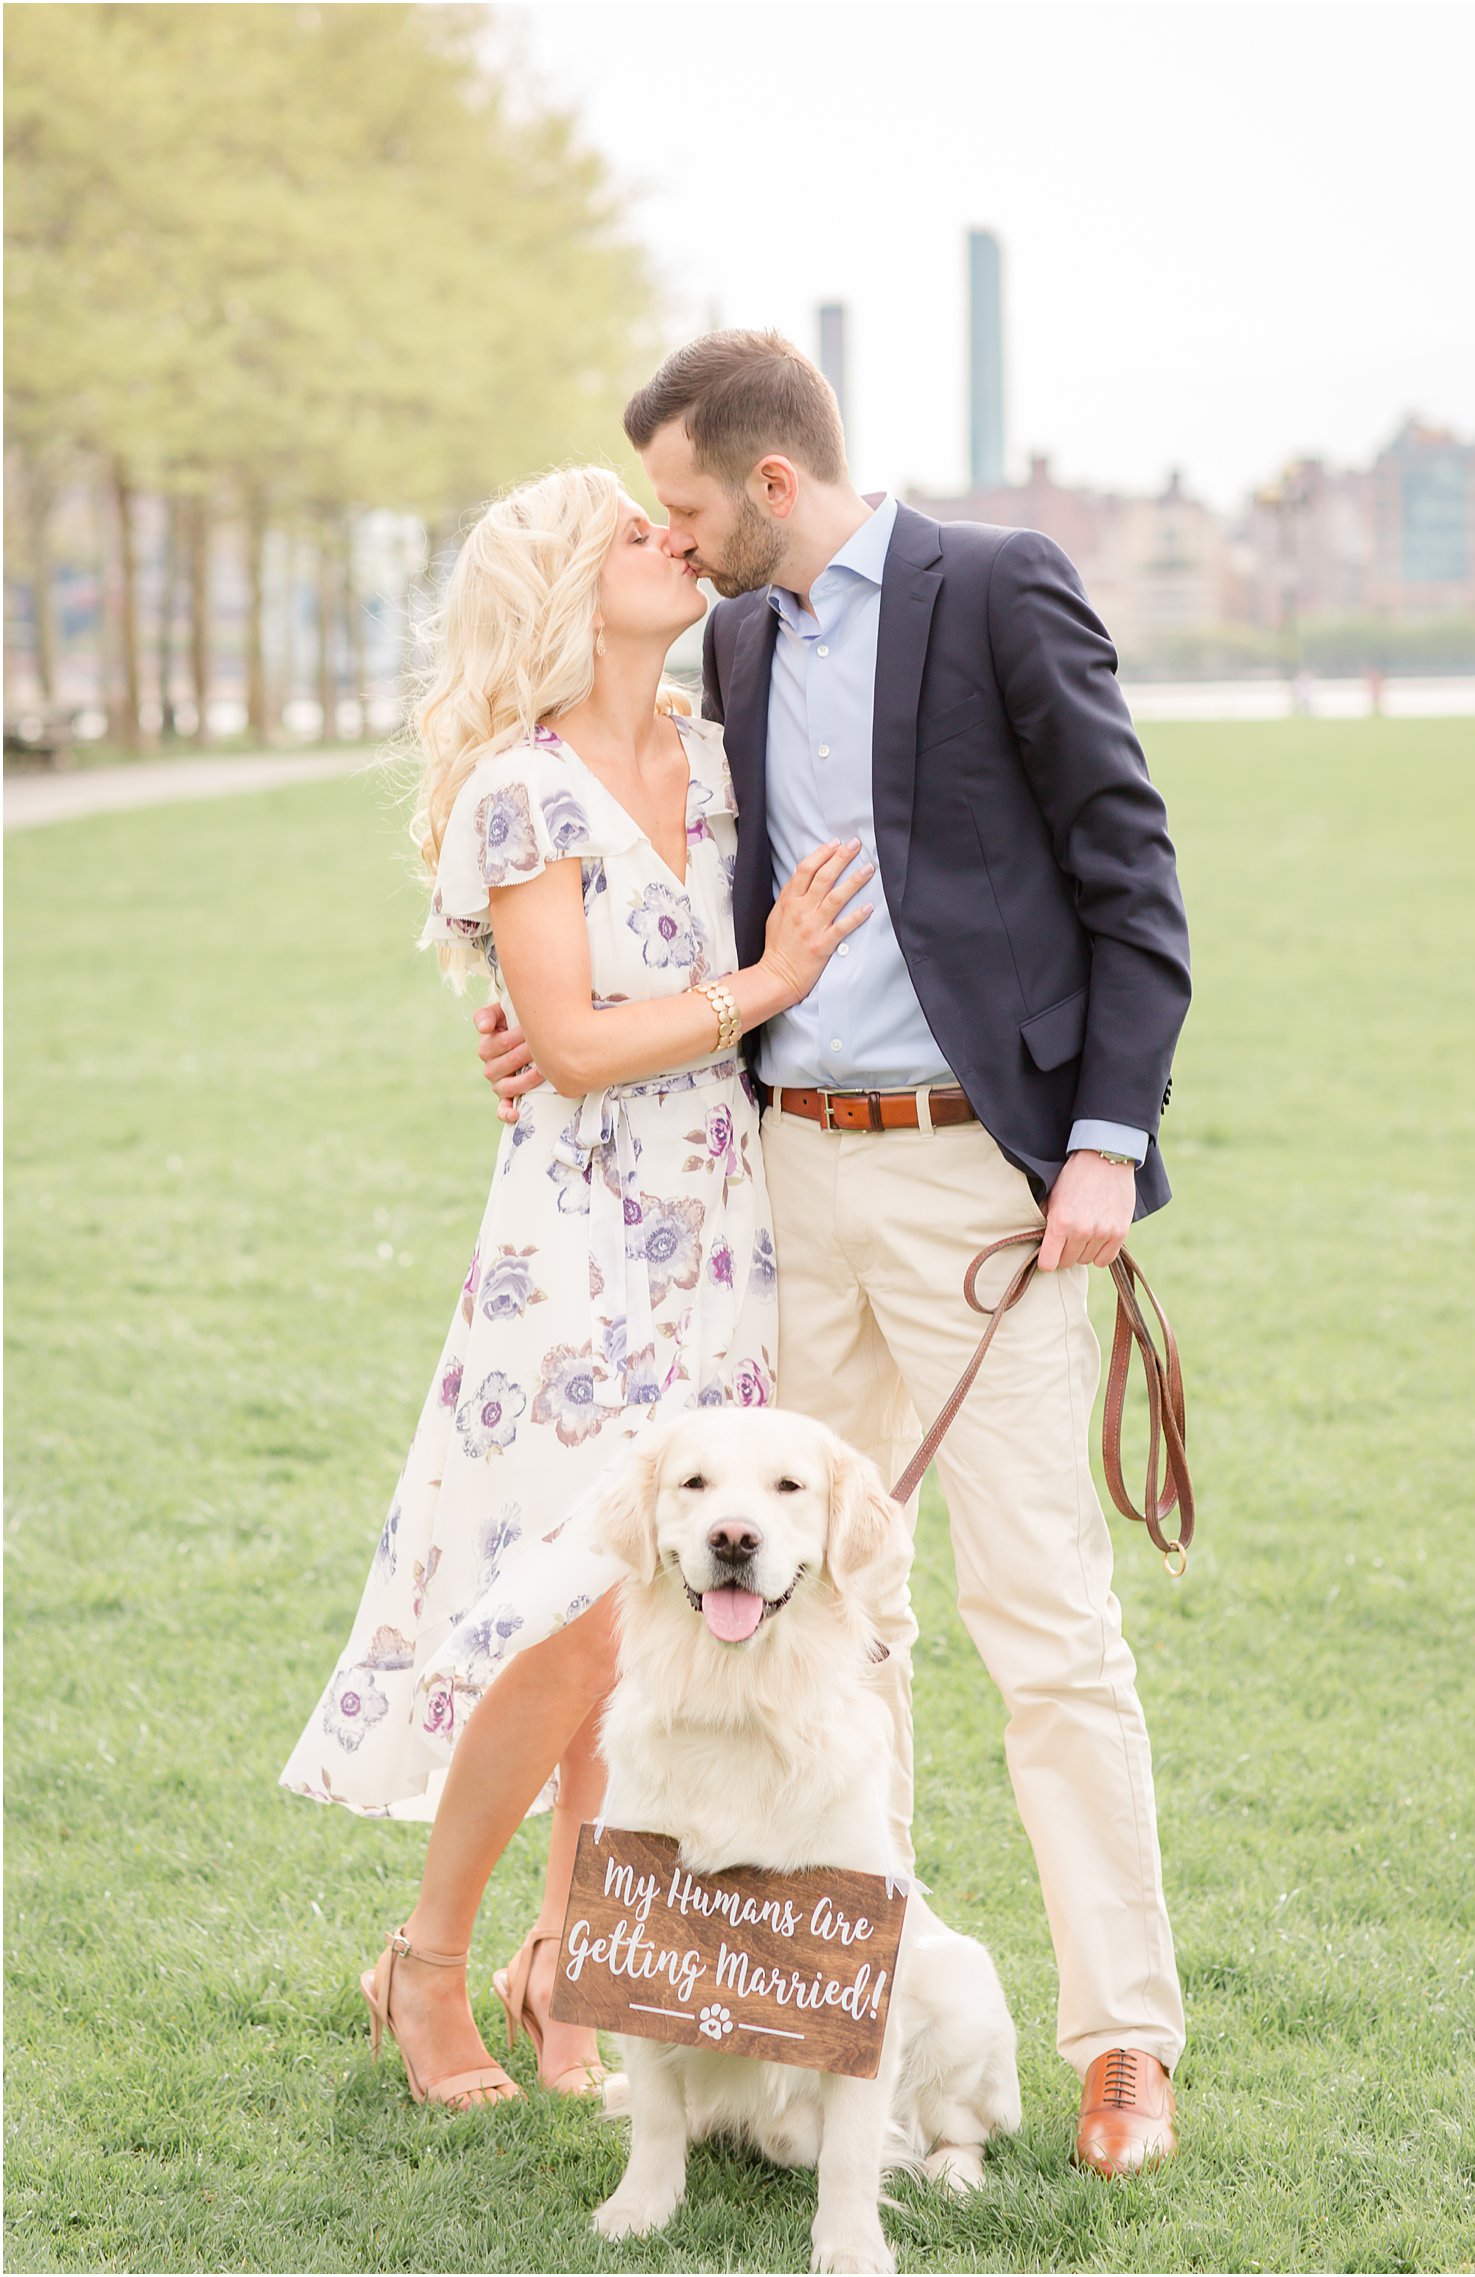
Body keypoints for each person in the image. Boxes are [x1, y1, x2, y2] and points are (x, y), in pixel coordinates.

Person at [478, 333, 1192, 2174]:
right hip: (785, 1179)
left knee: (1042, 1623)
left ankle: (1125, 2041)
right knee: (806, 1620)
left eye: (690, 503)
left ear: (771, 485)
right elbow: (685, 877)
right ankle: (811, 2015)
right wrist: (541, 1029)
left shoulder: (996, 585)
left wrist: (1104, 1139)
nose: (676, 534)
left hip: (986, 1193)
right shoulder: (730, 642)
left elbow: (1130, 870)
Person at [281, 464, 872, 2108]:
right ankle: (428, 1957)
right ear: (562, 587)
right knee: (562, 1615)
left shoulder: (717, 754)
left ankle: (573, 1969)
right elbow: (571, 1044)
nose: (673, 540)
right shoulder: (521, 792)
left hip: (722, 1229)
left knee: (646, 1619)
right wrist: (765, 986)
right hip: (580, 1240)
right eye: (633, 531)